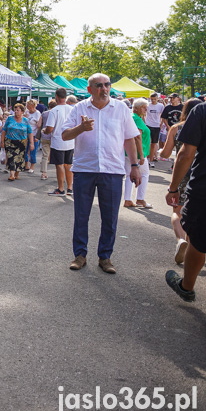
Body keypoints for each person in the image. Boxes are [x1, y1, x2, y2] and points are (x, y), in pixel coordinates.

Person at [62, 73, 141, 274]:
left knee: (110, 217)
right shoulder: (78, 108)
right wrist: (81, 127)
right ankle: (80, 255)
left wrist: (134, 165)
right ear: (89, 89)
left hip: (112, 171)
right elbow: (64, 134)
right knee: (81, 215)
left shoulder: (121, 108)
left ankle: (105, 257)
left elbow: (130, 139)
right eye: (99, 85)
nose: (104, 89)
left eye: (107, 85)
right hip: (84, 170)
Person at [165, 100, 206, 302]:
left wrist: (173, 188)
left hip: (203, 191)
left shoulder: (202, 111)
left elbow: (185, 154)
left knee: (198, 241)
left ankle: (187, 286)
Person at [160, 98, 202, 264]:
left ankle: (181, 240)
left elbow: (167, 153)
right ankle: (194, 246)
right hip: (201, 172)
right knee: (198, 213)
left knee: (177, 210)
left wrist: (160, 153)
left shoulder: (177, 128)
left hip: (183, 172)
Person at [44, 90, 76, 196]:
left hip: (58, 141)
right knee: (68, 164)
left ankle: (61, 188)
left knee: (60, 165)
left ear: (56, 96)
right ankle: (70, 188)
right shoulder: (72, 109)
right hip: (70, 141)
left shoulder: (54, 110)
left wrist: (45, 131)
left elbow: (50, 128)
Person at [122, 98, 151, 209]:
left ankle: (128, 199)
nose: (146, 109)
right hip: (137, 153)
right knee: (144, 174)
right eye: (144, 107)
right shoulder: (137, 119)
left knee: (129, 175)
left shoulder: (133, 117)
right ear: (137, 108)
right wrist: (142, 154)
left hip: (128, 151)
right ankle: (140, 198)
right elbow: (137, 137)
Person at [0, 102, 33, 181]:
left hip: (22, 142)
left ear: (22, 111)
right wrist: (2, 141)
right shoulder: (10, 118)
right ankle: (12, 175)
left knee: (19, 158)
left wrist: (31, 143)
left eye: (18, 110)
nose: (16, 112)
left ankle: (17, 173)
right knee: (11, 157)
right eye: (15, 110)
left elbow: (30, 132)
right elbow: (4, 130)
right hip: (10, 141)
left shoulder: (25, 120)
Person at [161, 94, 184, 162]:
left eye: (173, 98)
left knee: (179, 145)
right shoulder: (167, 108)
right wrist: (168, 126)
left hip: (181, 129)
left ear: (178, 98)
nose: (172, 99)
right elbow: (164, 118)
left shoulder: (182, 107)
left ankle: (177, 160)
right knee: (170, 145)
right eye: (171, 98)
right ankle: (170, 159)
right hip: (171, 128)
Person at [38, 100, 56, 180]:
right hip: (54, 136)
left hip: (45, 136)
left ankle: (44, 173)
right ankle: (59, 175)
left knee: (45, 155)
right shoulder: (56, 113)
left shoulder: (44, 114)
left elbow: (39, 124)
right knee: (57, 156)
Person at [145, 93, 164, 166]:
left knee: (153, 143)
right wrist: (144, 123)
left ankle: (151, 160)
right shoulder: (148, 105)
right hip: (148, 125)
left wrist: (161, 124)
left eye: (154, 99)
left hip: (156, 126)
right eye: (151, 99)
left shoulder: (160, 106)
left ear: (157, 99)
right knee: (146, 142)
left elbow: (163, 116)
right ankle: (146, 158)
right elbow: (143, 114)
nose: (153, 101)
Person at [24, 99, 41, 173]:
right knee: (25, 150)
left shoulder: (37, 113)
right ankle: (26, 165)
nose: (27, 107)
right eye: (27, 105)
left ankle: (32, 166)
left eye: (29, 105)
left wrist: (37, 136)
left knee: (32, 151)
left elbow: (39, 126)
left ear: (33, 106)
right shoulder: (26, 112)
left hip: (34, 134)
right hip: (25, 134)